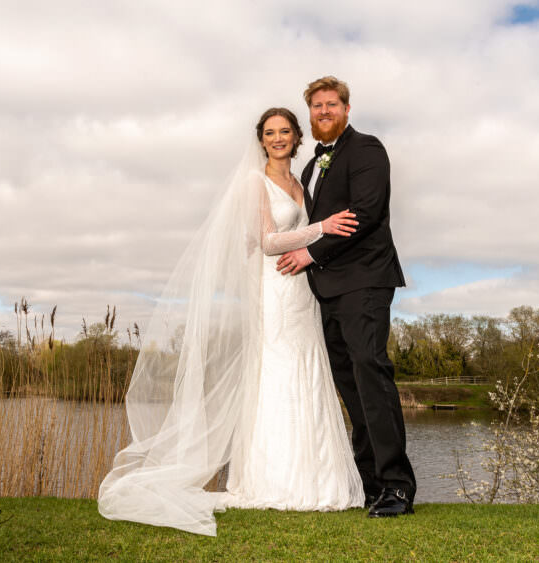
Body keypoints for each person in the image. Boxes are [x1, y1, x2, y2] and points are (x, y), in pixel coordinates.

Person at [98, 107, 363, 536]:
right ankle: (273, 481)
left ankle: (319, 481)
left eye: (285, 131)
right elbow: (267, 240)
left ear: (297, 137)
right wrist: (324, 228)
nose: (278, 138)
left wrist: (315, 231)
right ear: (261, 140)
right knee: (277, 375)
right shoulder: (253, 181)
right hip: (274, 290)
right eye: (269, 132)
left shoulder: (301, 182)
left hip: (302, 292)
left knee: (308, 372)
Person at [276, 76, 416, 517]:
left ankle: (397, 487)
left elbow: (366, 212)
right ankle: (371, 483)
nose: (323, 111)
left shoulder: (368, 150)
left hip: (366, 282)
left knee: (371, 376)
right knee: (351, 386)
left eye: (331, 104)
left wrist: (309, 253)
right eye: (316, 106)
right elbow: (317, 221)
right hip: (328, 289)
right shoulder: (309, 167)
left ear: (346, 109)